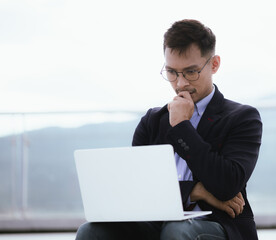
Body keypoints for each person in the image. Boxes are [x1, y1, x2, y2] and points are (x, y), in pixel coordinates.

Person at [76, 19, 262, 240]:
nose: (180, 83)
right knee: (91, 231)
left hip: (217, 225)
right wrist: (196, 191)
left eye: (191, 72)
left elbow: (227, 185)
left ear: (214, 64)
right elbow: (137, 189)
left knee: (176, 231)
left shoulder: (242, 118)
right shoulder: (152, 121)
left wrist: (182, 127)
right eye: (172, 72)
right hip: (156, 224)